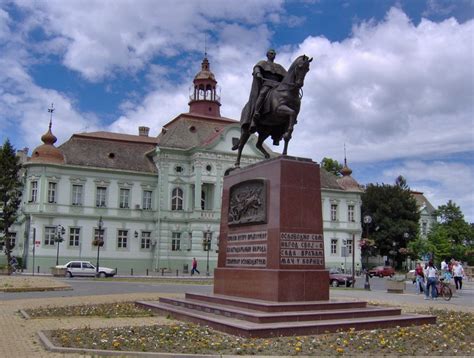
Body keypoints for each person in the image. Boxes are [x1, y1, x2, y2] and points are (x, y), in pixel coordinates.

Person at [239, 49, 287, 136]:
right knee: (262, 94)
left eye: (274, 54)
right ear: (267, 55)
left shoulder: (279, 67)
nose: (273, 55)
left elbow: (286, 76)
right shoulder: (263, 63)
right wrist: (258, 73)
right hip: (267, 84)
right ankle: (256, 113)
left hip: (277, 86)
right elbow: (257, 67)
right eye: (271, 53)